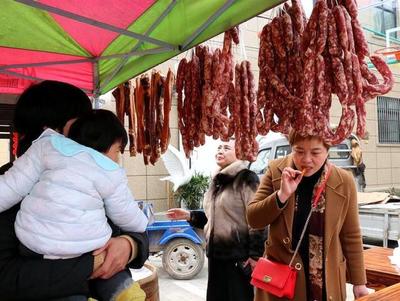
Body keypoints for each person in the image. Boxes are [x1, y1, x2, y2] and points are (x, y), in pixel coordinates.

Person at [0, 80, 149, 301]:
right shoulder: (9, 186)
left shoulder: (90, 171)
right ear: (51, 131)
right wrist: (93, 264)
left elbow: (129, 223)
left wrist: (129, 246)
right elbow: (6, 277)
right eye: (81, 123)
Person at [247, 130, 369, 301]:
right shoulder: (276, 170)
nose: (306, 159)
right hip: (282, 282)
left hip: (326, 280)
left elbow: (351, 235)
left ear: (327, 150)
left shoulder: (344, 181)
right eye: (299, 151)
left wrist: (359, 283)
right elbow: (253, 218)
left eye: (315, 152)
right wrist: (281, 195)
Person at [166, 139, 266, 301]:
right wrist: (189, 215)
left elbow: (258, 218)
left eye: (226, 148)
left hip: (238, 259)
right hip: (215, 257)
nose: (220, 150)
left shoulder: (247, 178)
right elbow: (214, 218)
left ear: (239, 153)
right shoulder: (217, 181)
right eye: (219, 147)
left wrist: (255, 256)